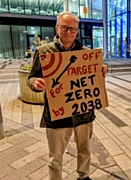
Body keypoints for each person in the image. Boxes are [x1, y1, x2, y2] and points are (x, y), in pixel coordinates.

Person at [27, 12, 108, 180]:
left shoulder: (86, 53)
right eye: (65, 28)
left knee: (84, 149)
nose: (69, 32)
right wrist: (35, 84)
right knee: (55, 156)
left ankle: (83, 176)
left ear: (77, 31)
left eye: (73, 29)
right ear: (57, 28)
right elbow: (31, 77)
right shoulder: (44, 52)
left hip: (83, 114)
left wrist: (101, 72)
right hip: (57, 115)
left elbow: (94, 79)